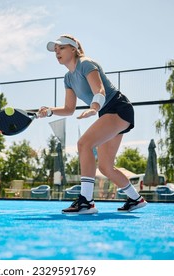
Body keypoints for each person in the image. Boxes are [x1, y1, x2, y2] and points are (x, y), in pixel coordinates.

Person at [38, 34, 147, 214]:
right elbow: (68, 109)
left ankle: (86, 202)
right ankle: (136, 198)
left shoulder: (86, 63)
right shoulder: (68, 78)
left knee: (84, 144)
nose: (57, 51)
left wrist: (94, 107)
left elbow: (100, 90)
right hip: (106, 112)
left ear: (74, 49)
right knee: (105, 167)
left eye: (61, 47)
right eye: (55, 50)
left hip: (118, 107)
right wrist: (49, 110)